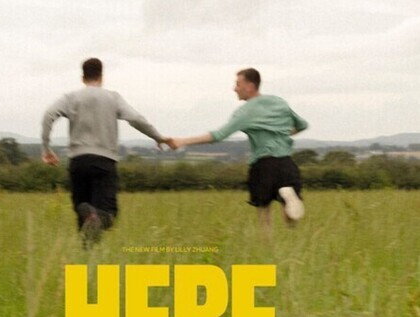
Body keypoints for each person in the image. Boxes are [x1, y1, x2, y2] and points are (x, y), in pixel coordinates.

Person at [41, 58, 171, 241]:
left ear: (82, 77)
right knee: (108, 216)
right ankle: (93, 217)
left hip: (78, 162)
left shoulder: (70, 98)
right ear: (102, 76)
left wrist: (46, 148)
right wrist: (157, 137)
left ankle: (88, 252)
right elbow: (135, 119)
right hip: (104, 162)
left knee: (85, 219)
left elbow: (48, 115)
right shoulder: (113, 98)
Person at [171, 68, 309, 226]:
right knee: (291, 216)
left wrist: (182, 141)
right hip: (287, 163)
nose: (234, 88)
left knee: (264, 210)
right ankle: (287, 198)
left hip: (264, 164)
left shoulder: (246, 111)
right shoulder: (278, 102)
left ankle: (266, 242)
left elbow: (218, 135)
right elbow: (302, 125)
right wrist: (282, 134)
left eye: (238, 84)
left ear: (249, 86)